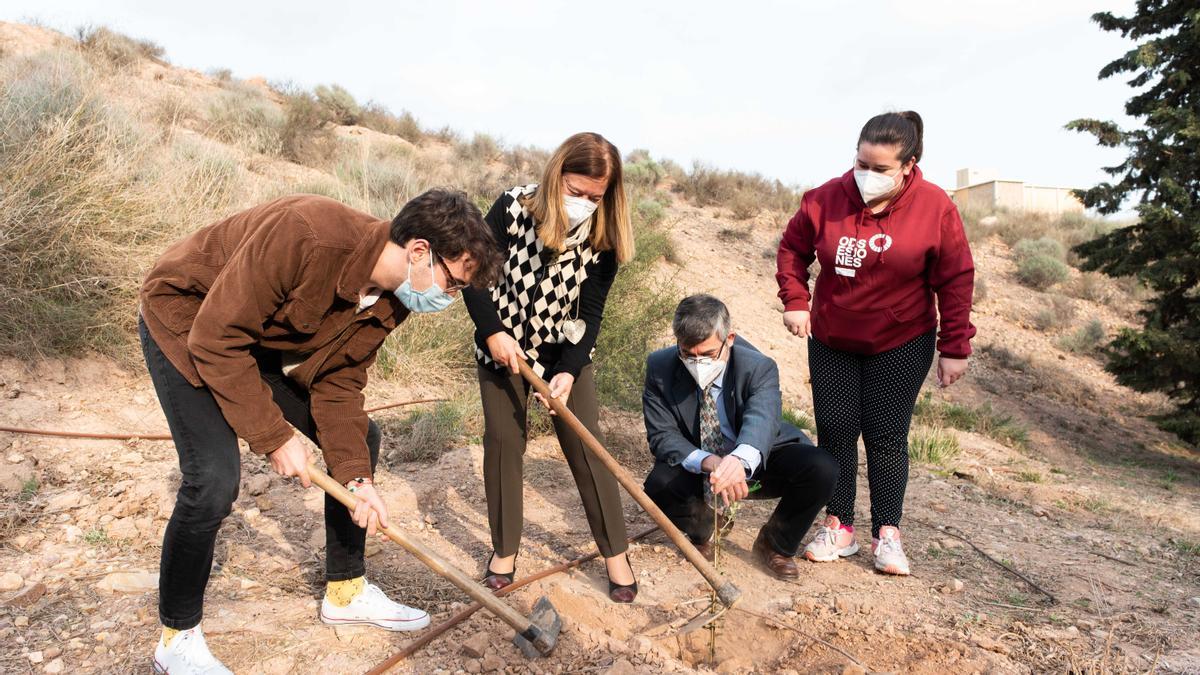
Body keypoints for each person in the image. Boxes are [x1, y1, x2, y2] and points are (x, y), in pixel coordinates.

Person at [139, 190, 501, 674]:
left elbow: (339, 380)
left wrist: (358, 480)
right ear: (419, 251)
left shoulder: (395, 299)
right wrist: (273, 437)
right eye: (453, 283)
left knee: (359, 443)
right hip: (189, 321)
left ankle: (347, 593)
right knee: (212, 480)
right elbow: (217, 338)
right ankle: (176, 638)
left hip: (254, 340)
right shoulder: (308, 235)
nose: (450, 297)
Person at [775, 111, 976, 576]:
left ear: (908, 165)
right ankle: (838, 526)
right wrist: (795, 299)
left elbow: (956, 277)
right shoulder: (825, 199)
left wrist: (955, 346)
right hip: (832, 337)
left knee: (886, 435)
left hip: (902, 338)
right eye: (862, 163)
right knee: (837, 431)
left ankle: (887, 534)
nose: (867, 175)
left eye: (881, 168)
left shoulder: (935, 207)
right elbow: (792, 249)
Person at [462, 132, 638, 602]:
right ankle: (504, 552)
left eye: (594, 197)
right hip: (503, 347)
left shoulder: (604, 232)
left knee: (586, 447)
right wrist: (492, 333)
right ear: (556, 174)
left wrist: (569, 369)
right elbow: (474, 275)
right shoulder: (513, 208)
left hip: (563, 355)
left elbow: (591, 311)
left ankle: (615, 554)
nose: (583, 203)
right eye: (575, 191)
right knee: (503, 442)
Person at [641, 295, 838, 579]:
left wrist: (738, 461)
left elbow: (762, 418)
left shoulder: (758, 366)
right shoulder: (660, 366)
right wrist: (710, 462)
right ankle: (703, 529)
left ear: (729, 338)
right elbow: (662, 435)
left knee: (822, 468)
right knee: (659, 484)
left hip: (756, 463)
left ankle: (776, 544)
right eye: (688, 354)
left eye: (707, 355)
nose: (697, 363)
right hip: (702, 469)